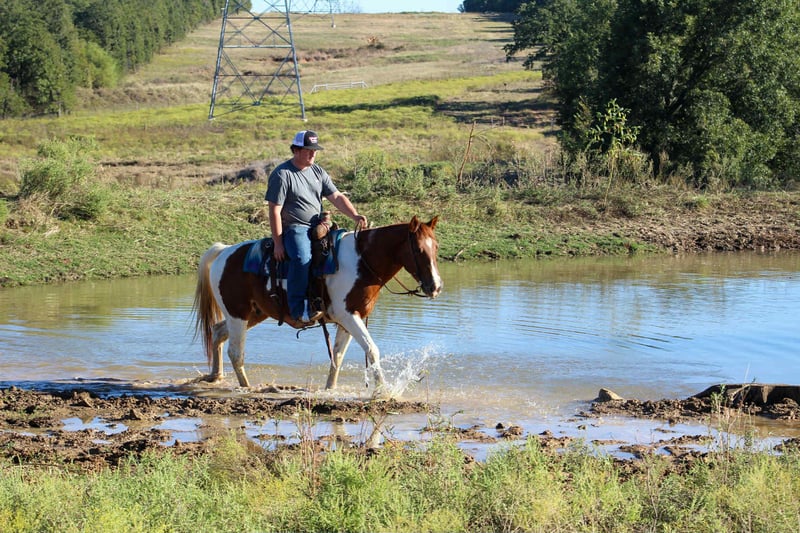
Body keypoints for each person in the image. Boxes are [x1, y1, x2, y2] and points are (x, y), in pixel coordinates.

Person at [266, 130, 367, 328]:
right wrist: (278, 243)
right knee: (302, 258)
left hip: (319, 225)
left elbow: (336, 197)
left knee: (343, 251)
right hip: (295, 228)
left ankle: (332, 301)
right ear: (296, 150)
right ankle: (298, 310)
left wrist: (355, 215)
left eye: (315, 150)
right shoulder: (282, 174)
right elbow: (274, 211)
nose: (313, 154)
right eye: (308, 150)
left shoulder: (318, 172)